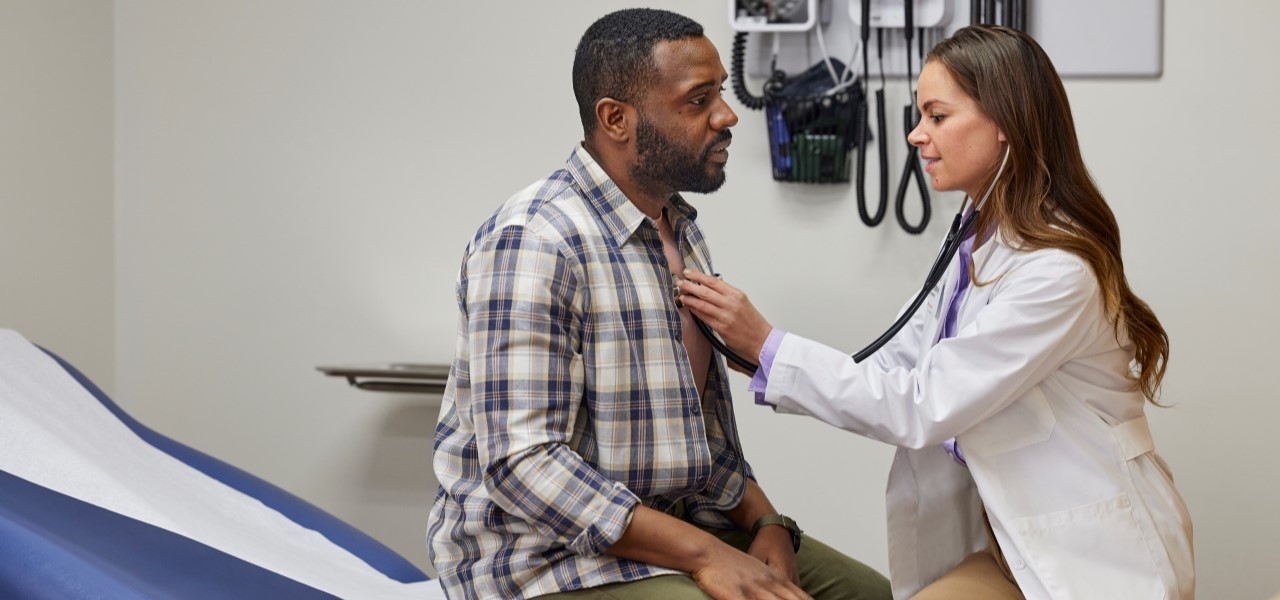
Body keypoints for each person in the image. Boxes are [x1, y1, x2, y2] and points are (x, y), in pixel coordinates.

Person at [677, 25, 1195, 600]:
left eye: (937, 116)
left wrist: (771, 346)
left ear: (1005, 123)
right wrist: (766, 356)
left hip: (1089, 560)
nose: (916, 134)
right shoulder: (975, 240)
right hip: (1009, 547)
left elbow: (922, 403)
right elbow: (895, 365)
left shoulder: (1057, 272)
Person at [427, 8, 891, 600]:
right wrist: (706, 557)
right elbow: (524, 465)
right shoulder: (534, 242)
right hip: (544, 558)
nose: (727, 117)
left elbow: (700, 429)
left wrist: (765, 523)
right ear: (616, 119)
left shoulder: (679, 230)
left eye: (721, 93)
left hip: (679, 524)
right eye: (699, 101)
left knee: (867, 595)